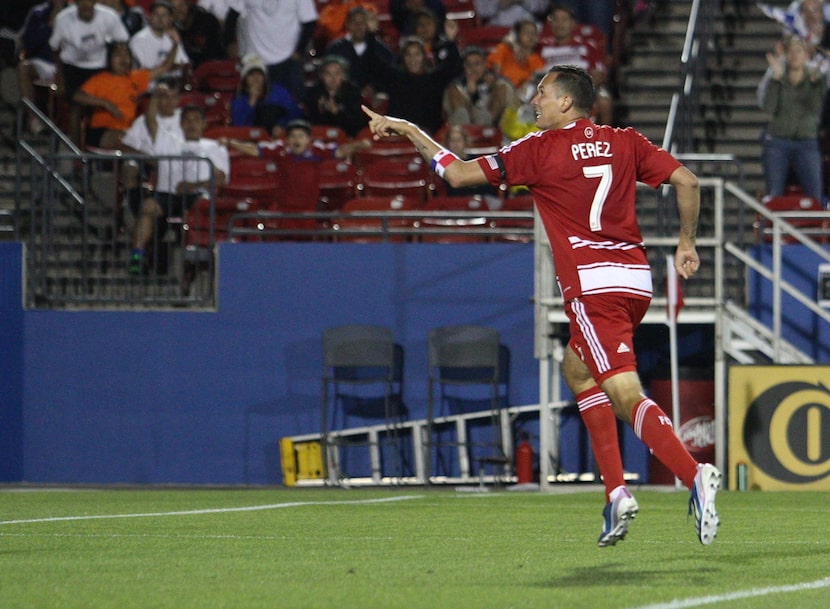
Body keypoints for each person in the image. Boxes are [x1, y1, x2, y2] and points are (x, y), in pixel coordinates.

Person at [361, 64, 722, 547]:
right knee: (578, 371)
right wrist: (686, 243)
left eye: (543, 93)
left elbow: (456, 172)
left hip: (591, 287)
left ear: (566, 103)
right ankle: (615, 492)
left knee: (624, 393)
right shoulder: (625, 140)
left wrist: (407, 129)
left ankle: (693, 473)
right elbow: (689, 182)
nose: (534, 100)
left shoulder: (537, 150)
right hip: (635, 282)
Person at [129, 97, 230, 275]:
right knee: (147, 206)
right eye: (187, 120)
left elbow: (221, 178)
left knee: (205, 208)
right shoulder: (169, 141)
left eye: (196, 120)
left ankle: (196, 265)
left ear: (204, 124)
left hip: (197, 195)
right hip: (167, 194)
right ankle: (137, 255)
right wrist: (156, 95)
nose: (192, 124)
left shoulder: (215, 147)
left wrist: (193, 185)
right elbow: (151, 120)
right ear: (181, 124)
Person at [48, 0, 130, 144]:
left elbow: (122, 40)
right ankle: (75, 149)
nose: (87, 7)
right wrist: (59, 75)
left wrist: (119, 68)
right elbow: (55, 47)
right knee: (76, 106)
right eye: (83, 4)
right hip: (72, 67)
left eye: (90, 4)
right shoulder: (63, 19)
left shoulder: (109, 16)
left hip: (100, 66)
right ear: (76, 4)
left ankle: (96, 142)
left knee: (102, 107)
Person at [73, 40, 179, 149]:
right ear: (110, 59)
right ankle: (156, 163)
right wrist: (105, 103)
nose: (124, 59)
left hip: (129, 131)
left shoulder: (135, 78)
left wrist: (176, 44)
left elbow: (165, 67)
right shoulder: (99, 79)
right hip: (102, 131)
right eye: (118, 55)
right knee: (127, 140)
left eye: (126, 55)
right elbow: (77, 96)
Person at [757, 35, 826, 202]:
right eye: (791, 52)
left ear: (806, 54)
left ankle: (813, 228)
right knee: (774, 194)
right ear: (786, 55)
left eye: (799, 51)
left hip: (807, 142)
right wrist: (776, 80)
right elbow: (768, 108)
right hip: (778, 142)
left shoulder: (816, 76)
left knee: (815, 195)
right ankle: (775, 228)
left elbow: (815, 109)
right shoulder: (776, 74)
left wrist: (815, 85)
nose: (795, 56)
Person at [367, 28, 461, 134]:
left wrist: (451, 41)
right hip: (399, 135)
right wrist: (371, 34)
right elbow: (373, 63)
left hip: (430, 136)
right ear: (403, 58)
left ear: (424, 56)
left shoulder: (435, 78)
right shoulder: (394, 77)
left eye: (417, 54)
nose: (413, 59)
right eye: (408, 55)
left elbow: (453, 67)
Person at [224, 0, 318, 101]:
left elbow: (309, 22)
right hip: (254, 61)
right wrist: (230, 42)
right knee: (251, 103)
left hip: (287, 60)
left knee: (291, 103)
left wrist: (299, 51)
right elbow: (232, 14)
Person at [540, 4, 613, 125]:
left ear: (573, 23)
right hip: (549, 93)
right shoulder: (541, 46)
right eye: (556, 20)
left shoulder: (587, 46)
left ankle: (604, 139)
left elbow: (599, 75)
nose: (560, 24)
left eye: (564, 20)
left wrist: (579, 90)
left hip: (582, 90)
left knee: (605, 101)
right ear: (550, 24)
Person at [16, 0, 67, 134]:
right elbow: (29, 42)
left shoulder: (74, 12)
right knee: (24, 67)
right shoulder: (39, 13)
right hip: (44, 63)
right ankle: (33, 119)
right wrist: (50, 26)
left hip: (68, 66)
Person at [325, 7, 395, 103]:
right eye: (354, 22)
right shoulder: (336, 48)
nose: (358, 26)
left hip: (373, 98)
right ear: (347, 24)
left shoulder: (377, 47)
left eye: (362, 22)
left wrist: (374, 87)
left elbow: (388, 72)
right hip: (343, 97)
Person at [442, 45, 516, 127]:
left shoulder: (496, 82)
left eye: (477, 64)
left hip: (493, 127)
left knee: (503, 86)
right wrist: (472, 94)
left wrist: (491, 88)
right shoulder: (458, 85)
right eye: (469, 65)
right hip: (463, 129)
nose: (473, 69)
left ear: (485, 64)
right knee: (453, 89)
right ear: (464, 67)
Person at [231, 53, 304, 135]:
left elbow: (296, 112)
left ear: (265, 77)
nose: (256, 78)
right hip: (251, 139)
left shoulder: (278, 91)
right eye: (251, 75)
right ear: (245, 79)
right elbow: (239, 126)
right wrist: (251, 102)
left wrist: (281, 124)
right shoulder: (239, 98)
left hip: (280, 137)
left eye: (259, 74)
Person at [302, 54, 368, 138]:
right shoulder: (313, 92)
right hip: (319, 136)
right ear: (322, 76)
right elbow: (309, 121)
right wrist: (319, 110)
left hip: (348, 136)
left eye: (337, 74)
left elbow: (357, 122)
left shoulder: (353, 92)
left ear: (343, 75)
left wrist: (337, 112)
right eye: (328, 74)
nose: (333, 78)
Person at [129, 0, 190, 77]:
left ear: (170, 19)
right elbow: (147, 71)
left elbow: (184, 63)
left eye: (164, 15)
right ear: (150, 16)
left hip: (172, 83)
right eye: (156, 14)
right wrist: (171, 65)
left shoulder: (172, 37)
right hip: (151, 86)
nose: (160, 18)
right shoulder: (139, 40)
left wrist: (176, 43)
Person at [487, 19, 545, 90]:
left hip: (524, 96)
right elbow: (495, 72)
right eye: (527, 32)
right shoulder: (504, 49)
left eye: (534, 33)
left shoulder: (538, 60)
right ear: (517, 34)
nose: (531, 36)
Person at [473, 0, 549, 28]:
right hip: (497, 26)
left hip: (529, 24)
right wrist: (498, 4)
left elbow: (542, 7)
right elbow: (480, 10)